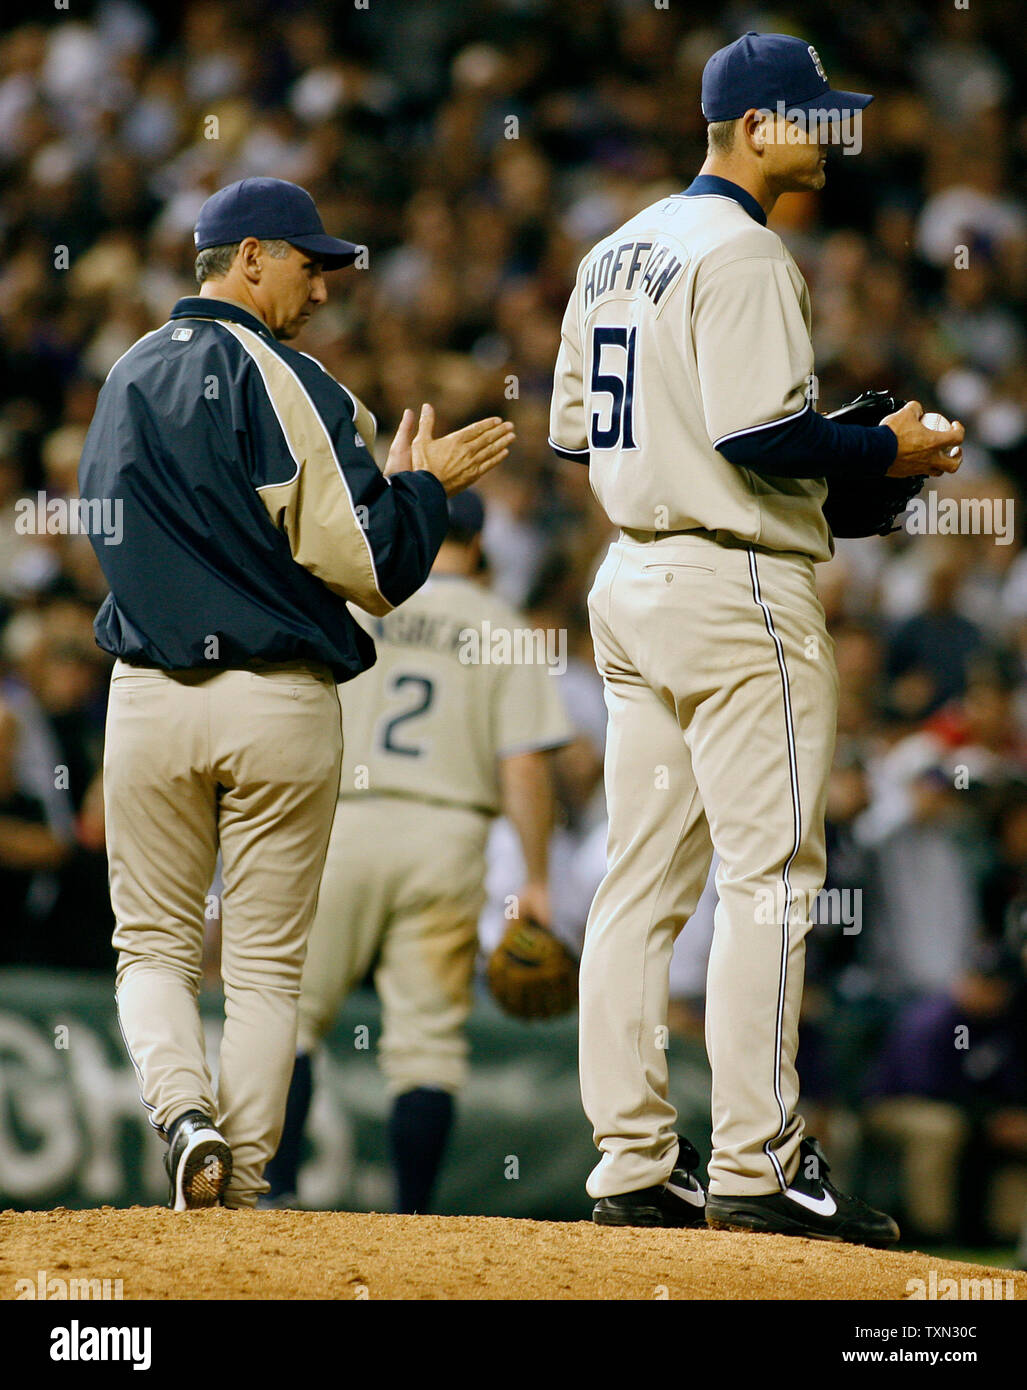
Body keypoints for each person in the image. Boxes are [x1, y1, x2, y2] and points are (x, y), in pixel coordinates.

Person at [549, 33, 963, 1244]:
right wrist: (887, 450)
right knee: (770, 876)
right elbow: (757, 440)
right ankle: (757, 1160)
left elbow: (580, 438)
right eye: (814, 118)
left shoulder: (613, 248)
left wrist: (809, 447)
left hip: (633, 580)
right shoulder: (743, 250)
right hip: (734, 593)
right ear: (755, 127)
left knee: (636, 882)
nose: (833, 136)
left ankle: (630, 1160)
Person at [78, 176, 514, 1211]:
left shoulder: (123, 374)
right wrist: (420, 488)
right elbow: (372, 565)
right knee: (267, 971)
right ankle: (238, 1188)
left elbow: (103, 526)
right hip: (276, 695)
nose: (322, 287)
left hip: (145, 690)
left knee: (151, 948)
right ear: (251, 257)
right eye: (310, 264)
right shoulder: (293, 382)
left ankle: (184, 1116)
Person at [265, 490, 571, 1213]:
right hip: (447, 834)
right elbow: (525, 764)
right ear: (482, 547)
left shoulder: (357, 600)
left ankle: (273, 1196)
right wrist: (534, 877)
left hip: (339, 823)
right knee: (427, 1042)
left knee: (290, 1014)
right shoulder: (501, 623)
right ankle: (411, 1220)